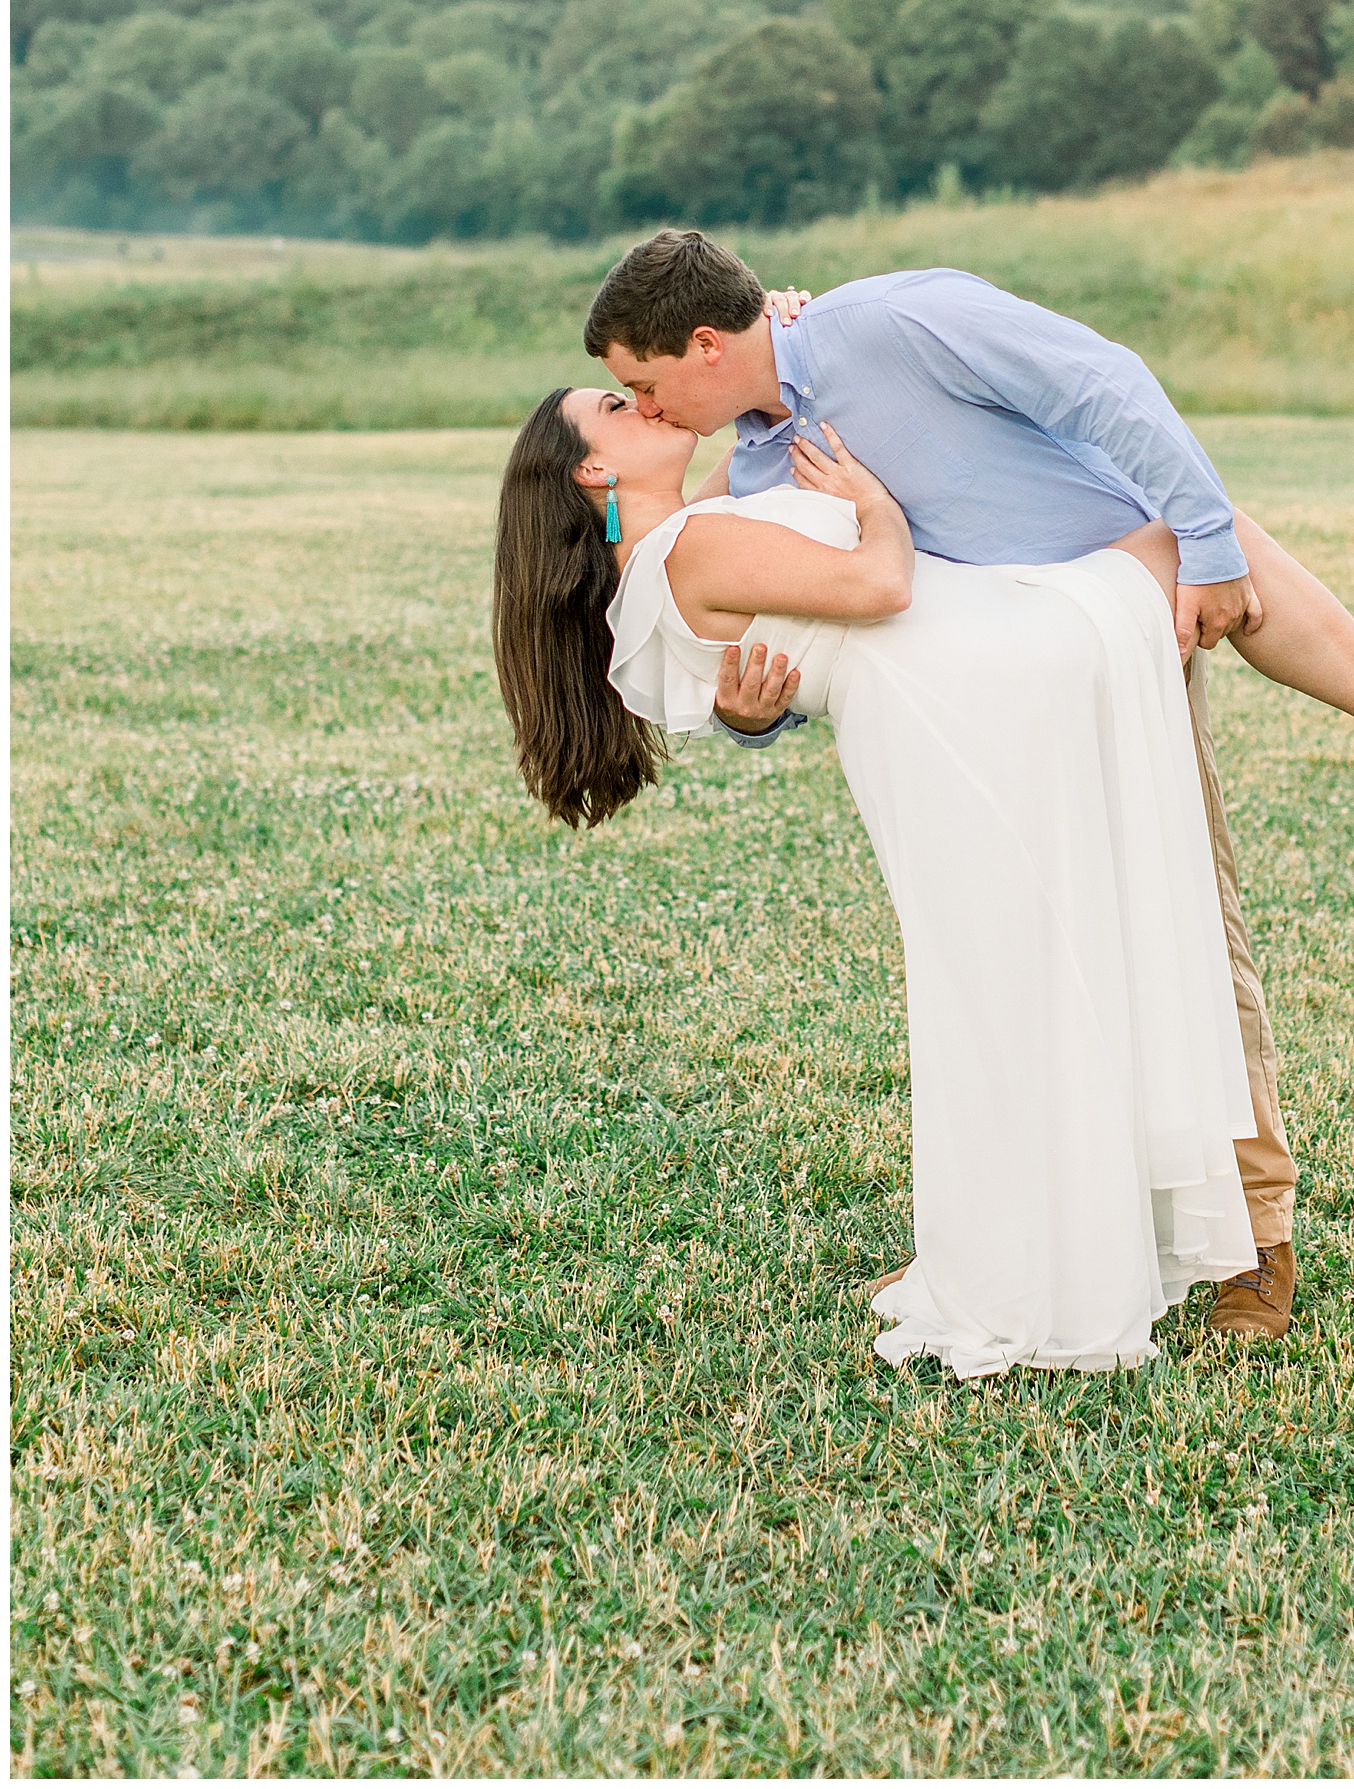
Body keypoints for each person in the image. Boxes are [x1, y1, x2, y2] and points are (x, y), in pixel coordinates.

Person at [575, 231, 1354, 1340]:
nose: (648, 408)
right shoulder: (751, 470)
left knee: (1183, 928)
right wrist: (757, 718)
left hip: (1105, 639)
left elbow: (1104, 385)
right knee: (1025, 971)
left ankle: (1254, 1237)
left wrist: (1211, 539)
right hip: (990, 722)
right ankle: (1033, 1228)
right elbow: (814, 641)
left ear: (704, 343)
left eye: (645, 384)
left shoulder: (895, 320)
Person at [493, 386, 1272, 1377]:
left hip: (950, 708)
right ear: (593, 472)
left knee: (1009, 1006)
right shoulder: (685, 552)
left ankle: (1043, 1253)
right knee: (1206, 533)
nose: (641, 397)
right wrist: (876, 504)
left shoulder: (676, 542)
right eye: (614, 401)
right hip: (985, 679)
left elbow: (745, 410)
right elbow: (881, 585)